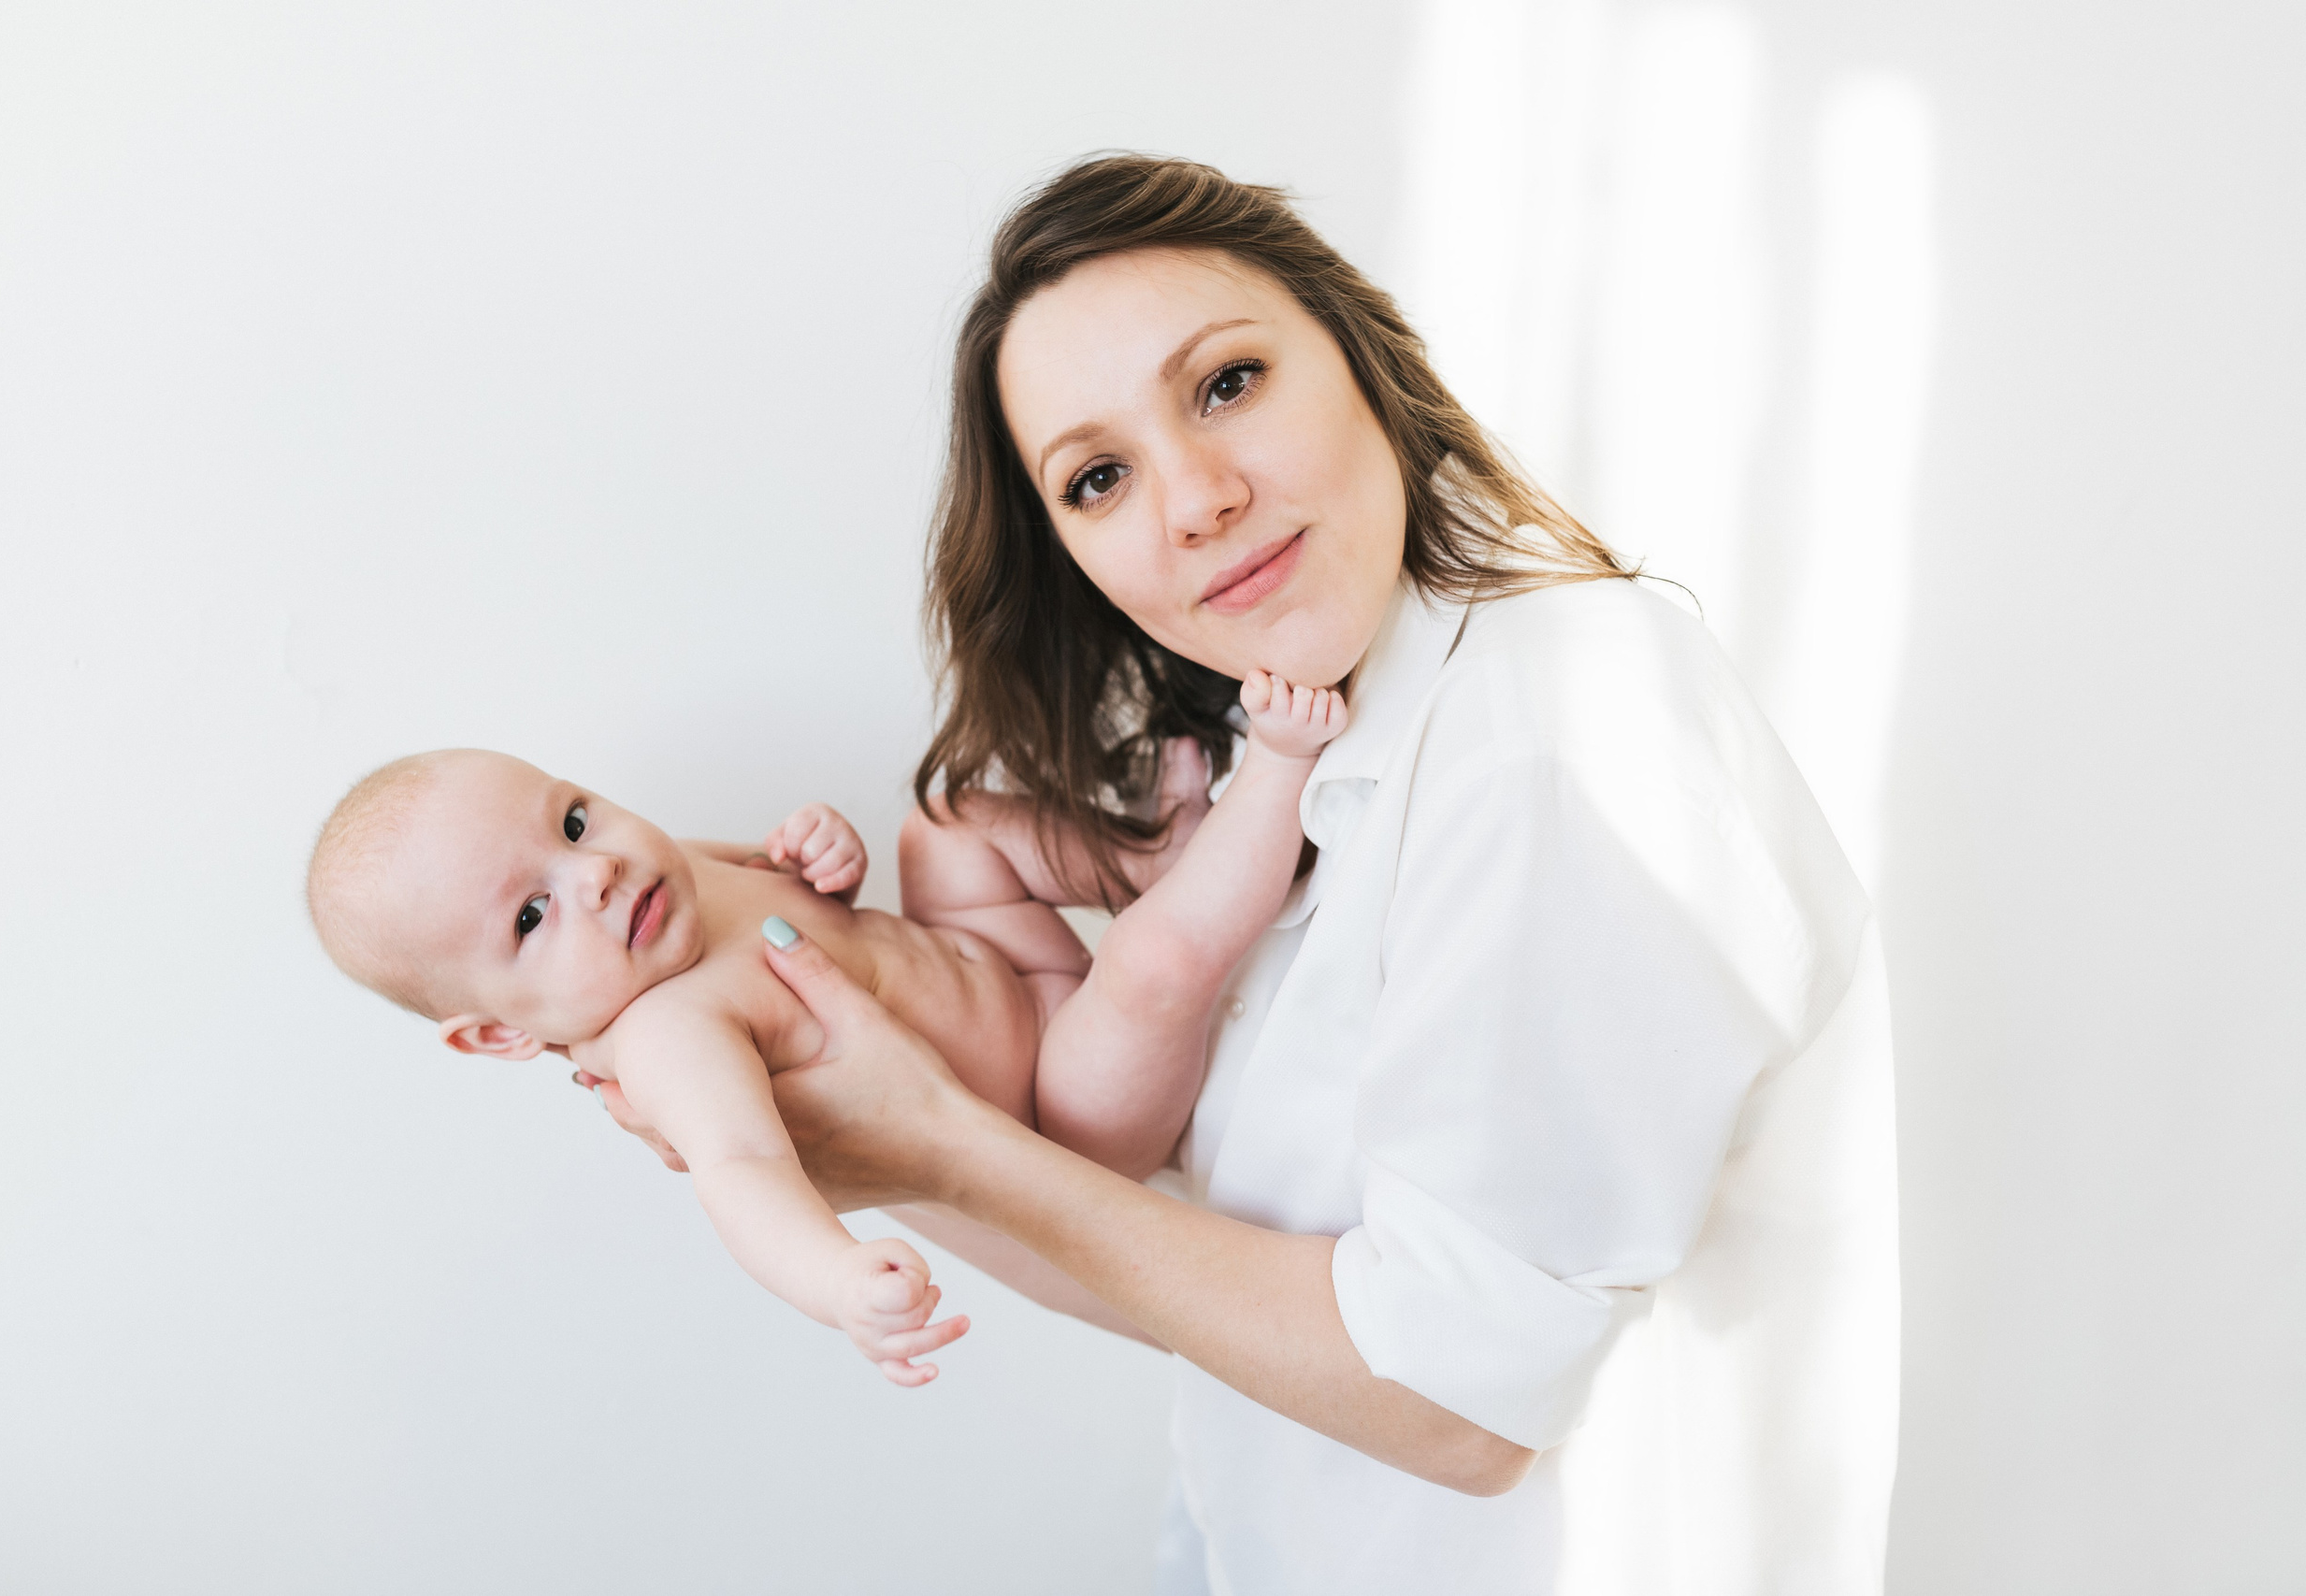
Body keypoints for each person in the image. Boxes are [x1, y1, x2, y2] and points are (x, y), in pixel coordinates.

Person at [590, 155, 1898, 1595]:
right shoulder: (1300, 743)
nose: (1196, 501)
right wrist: (869, 1125)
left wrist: (946, 1149)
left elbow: (1453, 1400)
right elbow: (1218, 1278)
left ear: (1359, 349)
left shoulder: (1547, 744)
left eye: (1226, 384)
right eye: (1099, 478)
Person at [303, 671, 1345, 1382]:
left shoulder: (650, 887)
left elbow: (792, 881)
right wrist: (837, 1279)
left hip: (998, 967)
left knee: (945, 827)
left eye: (573, 819)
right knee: (1151, 966)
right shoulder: (670, 1036)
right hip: (1062, 1103)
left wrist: (816, 849)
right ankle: (1281, 783)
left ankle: (1160, 845)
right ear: (496, 1035)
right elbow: (744, 1169)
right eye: (531, 917)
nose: (597, 870)